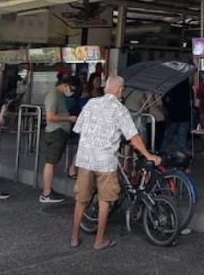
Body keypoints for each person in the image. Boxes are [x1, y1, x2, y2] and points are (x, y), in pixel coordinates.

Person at [69, 76, 161, 250]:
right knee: (105, 200)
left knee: (81, 199)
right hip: (105, 162)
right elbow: (133, 137)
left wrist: (78, 157)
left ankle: (74, 237)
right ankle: (99, 240)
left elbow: (79, 130)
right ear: (120, 91)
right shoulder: (119, 109)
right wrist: (147, 154)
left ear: (105, 89)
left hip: (85, 159)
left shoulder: (90, 104)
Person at [41, 78, 79, 203]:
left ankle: (48, 190)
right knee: (51, 162)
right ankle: (46, 193)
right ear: (66, 85)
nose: (72, 92)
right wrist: (69, 119)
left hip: (59, 132)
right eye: (72, 89)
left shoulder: (60, 95)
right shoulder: (54, 95)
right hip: (55, 132)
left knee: (53, 161)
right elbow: (51, 116)